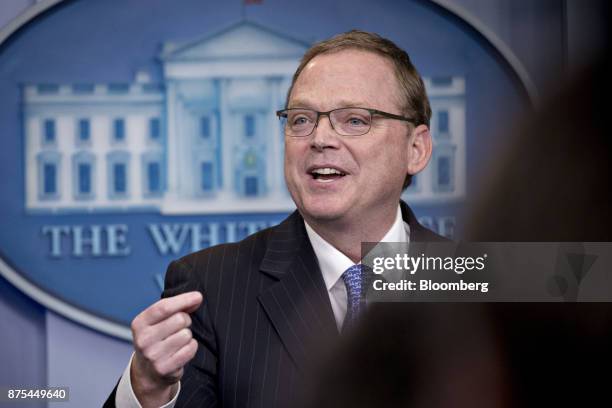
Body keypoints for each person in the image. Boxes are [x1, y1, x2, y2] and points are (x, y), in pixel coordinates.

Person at [105, 30, 446, 408]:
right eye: (301, 119)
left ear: (416, 149)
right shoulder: (209, 289)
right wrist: (149, 391)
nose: (320, 139)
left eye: (354, 120)